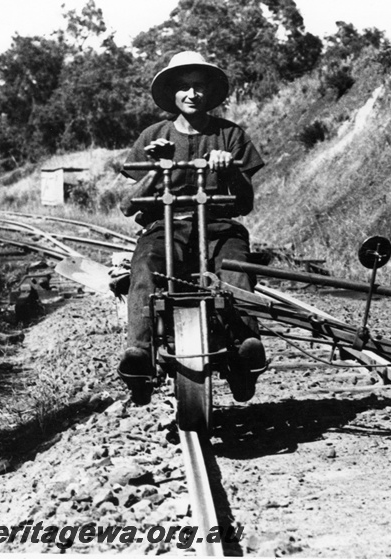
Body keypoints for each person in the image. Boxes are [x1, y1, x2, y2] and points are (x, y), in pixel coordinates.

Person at [117, 51, 266, 406]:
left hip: (218, 225)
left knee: (234, 269)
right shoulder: (154, 134)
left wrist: (230, 170)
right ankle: (138, 351)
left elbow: (244, 203)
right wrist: (157, 168)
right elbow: (127, 206)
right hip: (164, 226)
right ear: (172, 93)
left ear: (210, 91)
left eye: (199, 86)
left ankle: (245, 343)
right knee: (145, 266)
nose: (192, 93)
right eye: (183, 87)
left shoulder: (230, 134)